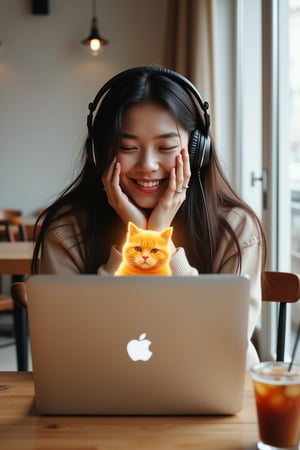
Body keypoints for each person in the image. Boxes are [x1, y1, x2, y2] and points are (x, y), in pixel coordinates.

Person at [32, 66, 266, 368]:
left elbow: (224, 346)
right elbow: (68, 347)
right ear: (100, 152)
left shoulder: (236, 228)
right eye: (128, 147)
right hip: (100, 401)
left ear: (198, 152)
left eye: (166, 147)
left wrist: (157, 238)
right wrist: (136, 240)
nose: (148, 165)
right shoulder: (67, 230)